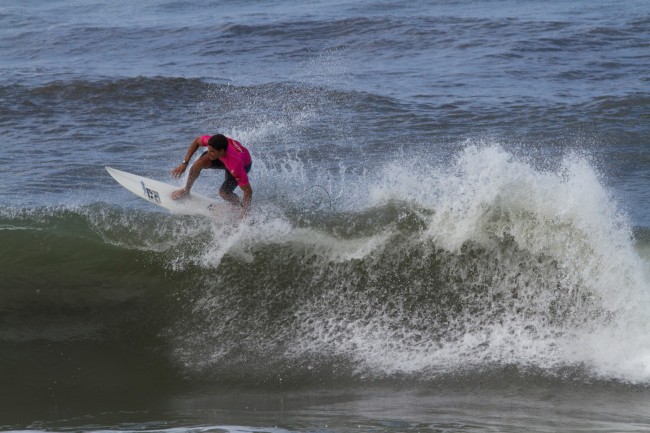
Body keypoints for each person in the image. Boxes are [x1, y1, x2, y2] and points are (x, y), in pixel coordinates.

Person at [171, 134, 252, 216]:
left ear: (221, 151)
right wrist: (185, 163)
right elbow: (197, 141)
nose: (208, 154)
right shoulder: (214, 142)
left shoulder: (235, 165)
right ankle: (186, 190)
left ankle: (239, 207)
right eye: (208, 150)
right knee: (199, 162)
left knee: (224, 193)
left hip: (243, 164)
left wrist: (244, 215)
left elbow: (248, 191)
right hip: (225, 156)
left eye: (212, 151)